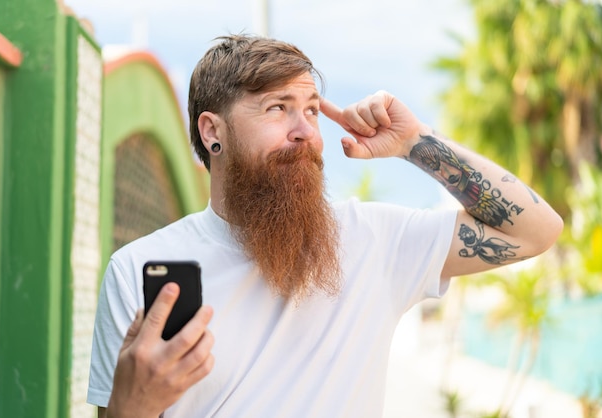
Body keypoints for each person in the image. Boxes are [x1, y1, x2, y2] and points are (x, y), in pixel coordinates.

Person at [87, 34, 563, 418]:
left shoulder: (375, 241)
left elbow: (535, 231)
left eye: (311, 109)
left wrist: (414, 142)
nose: (306, 131)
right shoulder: (136, 269)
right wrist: (135, 408)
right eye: (278, 108)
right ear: (213, 132)